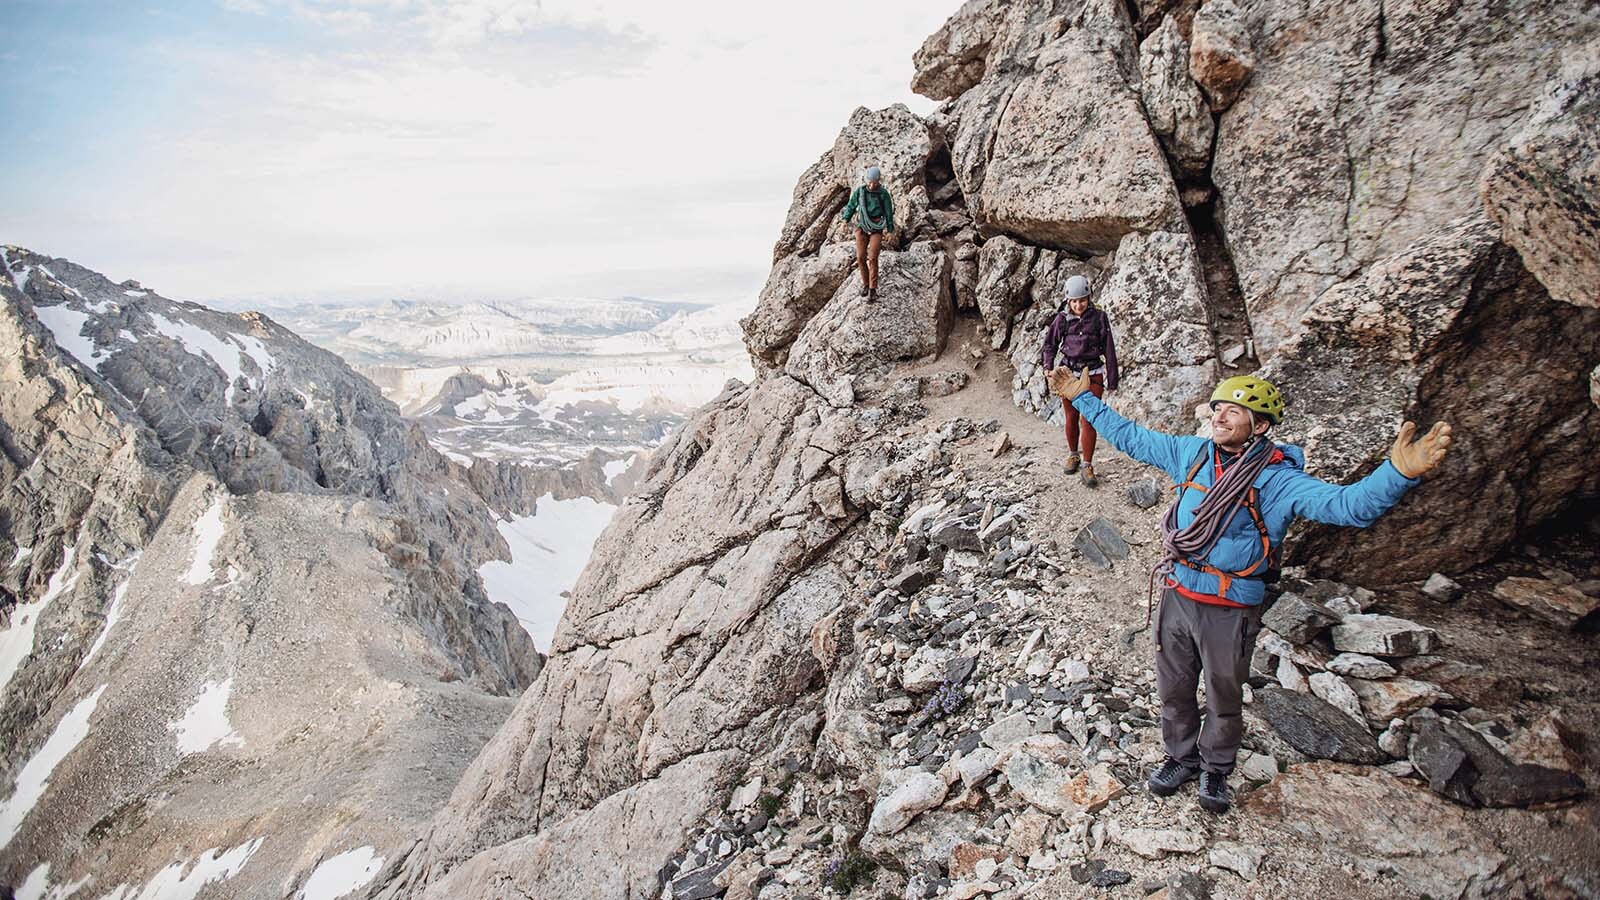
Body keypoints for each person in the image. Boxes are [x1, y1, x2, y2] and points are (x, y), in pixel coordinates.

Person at [1047, 367, 1452, 814]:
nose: (1219, 416)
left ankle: (1216, 767)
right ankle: (1180, 758)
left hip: (1230, 607)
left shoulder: (1278, 481)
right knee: (1175, 689)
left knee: (1223, 695)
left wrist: (1398, 473)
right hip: (1179, 593)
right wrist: (1084, 398)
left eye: (1233, 411)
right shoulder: (1193, 454)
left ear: (1259, 426)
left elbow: (1347, 507)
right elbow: (1131, 438)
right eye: (1218, 407)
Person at [1041, 274, 1119, 487]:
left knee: (1089, 419)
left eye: (1082, 300)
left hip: (1092, 372)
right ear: (1068, 300)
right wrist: (1048, 368)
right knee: (1071, 416)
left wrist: (1112, 379)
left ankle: (1087, 464)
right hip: (1069, 375)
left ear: (1089, 297)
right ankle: (1073, 454)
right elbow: (1050, 345)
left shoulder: (1099, 318)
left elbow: (1109, 348)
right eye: (1074, 301)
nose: (1078, 305)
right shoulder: (1062, 319)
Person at [840, 166, 895, 301]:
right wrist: (845, 220)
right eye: (870, 181)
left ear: (878, 181)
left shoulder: (883, 194)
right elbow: (851, 206)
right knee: (860, 257)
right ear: (866, 180)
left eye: (875, 182)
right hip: (862, 227)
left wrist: (890, 230)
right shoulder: (860, 192)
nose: (871, 185)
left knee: (873, 257)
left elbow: (888, 213)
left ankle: (872, 289)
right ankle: (865, 285)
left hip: (876, 227)